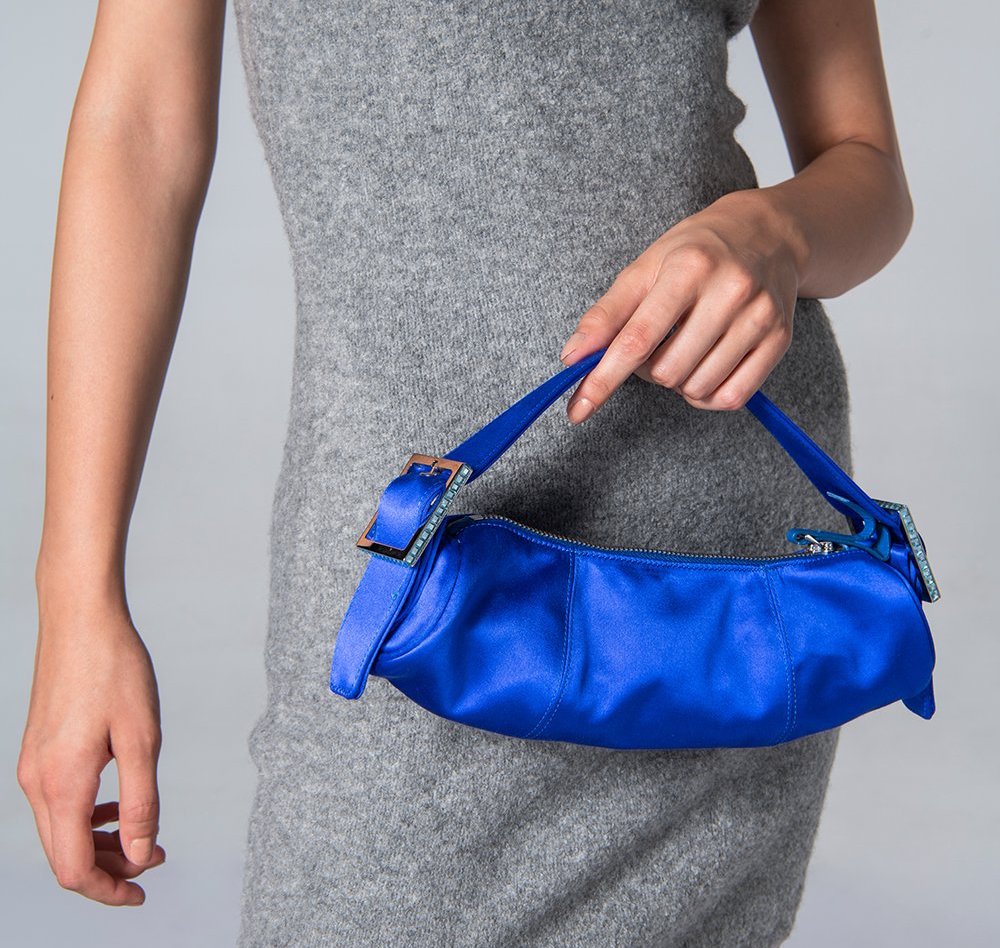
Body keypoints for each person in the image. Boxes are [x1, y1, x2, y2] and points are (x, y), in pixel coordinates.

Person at [17, 0, 913, 944]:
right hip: (420, 587)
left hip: (732, 596)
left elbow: (867, 167)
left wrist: (771, 230)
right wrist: (77, 601)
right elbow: (138, 133)